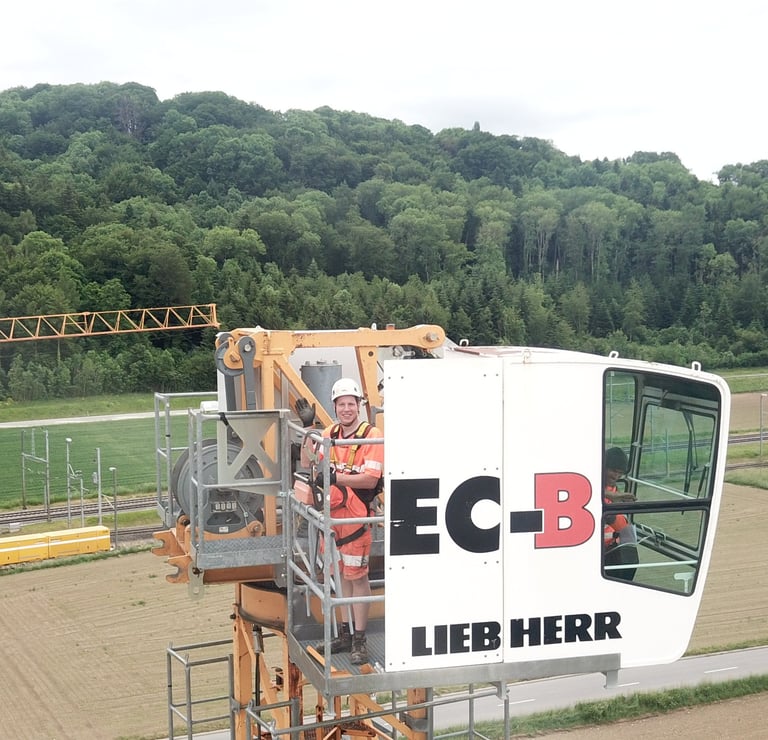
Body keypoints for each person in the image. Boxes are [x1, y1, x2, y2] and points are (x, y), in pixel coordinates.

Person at [296, 378, 384, 665]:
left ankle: (359, 639)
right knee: (340, 576)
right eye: (341, 404)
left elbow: (370, 478)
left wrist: (335, 477)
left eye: (351, 403)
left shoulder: (371, 436)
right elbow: (308, 463)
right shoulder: (329, 433)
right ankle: (345, 634)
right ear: (334, 407)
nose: (346, 409)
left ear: (359, 405)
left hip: (356, 519)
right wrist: (308, 430)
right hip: (332, 519)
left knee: (357, 579)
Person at [602, 446, 638, 581]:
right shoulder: (591, 486)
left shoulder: (613, 488)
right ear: (603, 466)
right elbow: (609, 516)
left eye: (620, 473)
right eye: (613, 470)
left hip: (613, 547)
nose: (616, 476)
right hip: (599, 550)